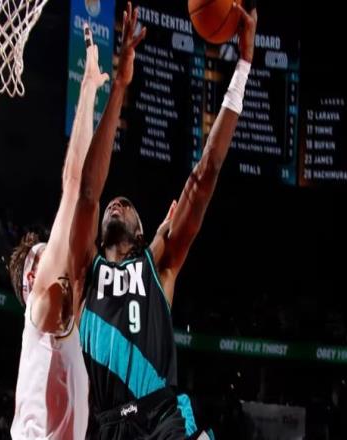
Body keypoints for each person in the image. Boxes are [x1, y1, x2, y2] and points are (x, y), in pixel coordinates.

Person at [69, 1, 258, 438]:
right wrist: (120, 85)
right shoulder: (84, 270)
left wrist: (244, 65)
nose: (116, 204)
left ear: (143, 231)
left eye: (126, 205)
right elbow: (89, 193)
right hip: (107, 425)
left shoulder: (158, 266)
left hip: (162, 418)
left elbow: (205, 174)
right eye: (113, 205)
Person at [8, 23, 109, 440]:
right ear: (32, 277)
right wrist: (88, 89)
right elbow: (74, 184)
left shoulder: (70, 320)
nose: (54, 250)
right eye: (44, 253)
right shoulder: (41, 305)